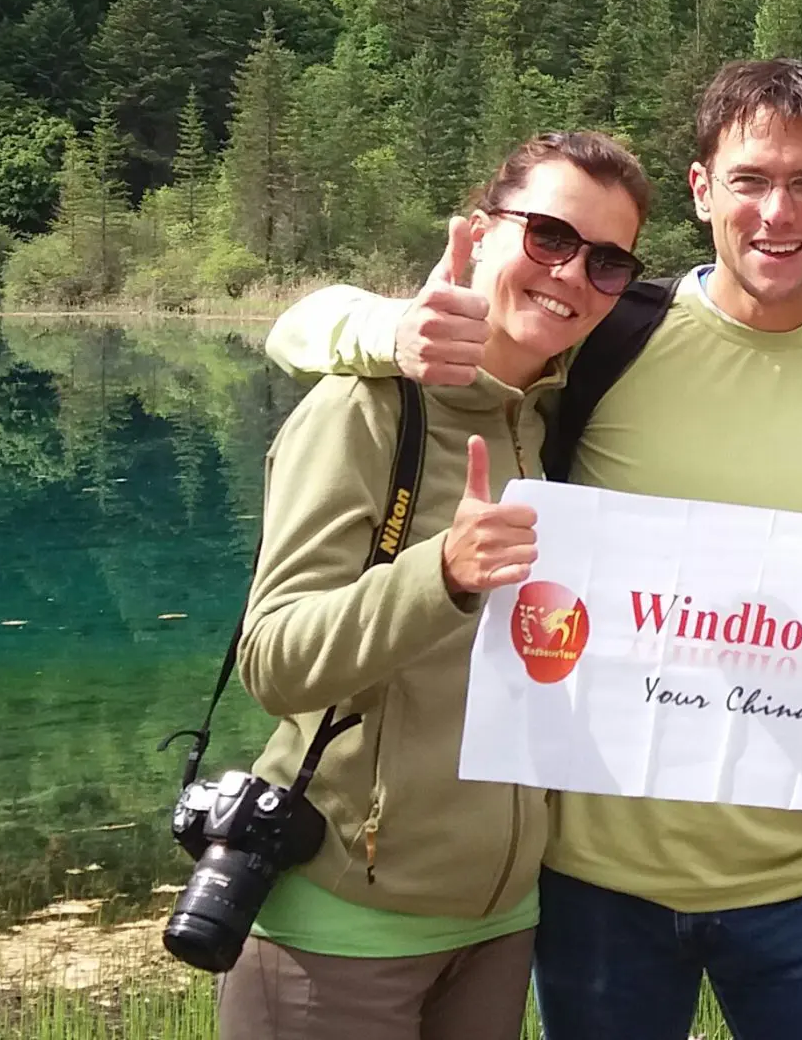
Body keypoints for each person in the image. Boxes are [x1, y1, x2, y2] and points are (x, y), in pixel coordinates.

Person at [265, 59, 802, 1040]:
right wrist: (386, 324)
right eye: (748, 180)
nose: (775, 211)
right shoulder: (607, 335)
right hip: (591, 886)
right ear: (704, 191)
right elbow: (319, 329)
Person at [220, 131, 654, 1040]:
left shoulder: (568, 414)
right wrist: (442, 574)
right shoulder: (366, 408)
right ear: (481, 233)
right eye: (548, 236)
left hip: (501, 927)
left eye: (609, 261)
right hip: (342, 924)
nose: (574, 274)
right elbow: (274, 659)